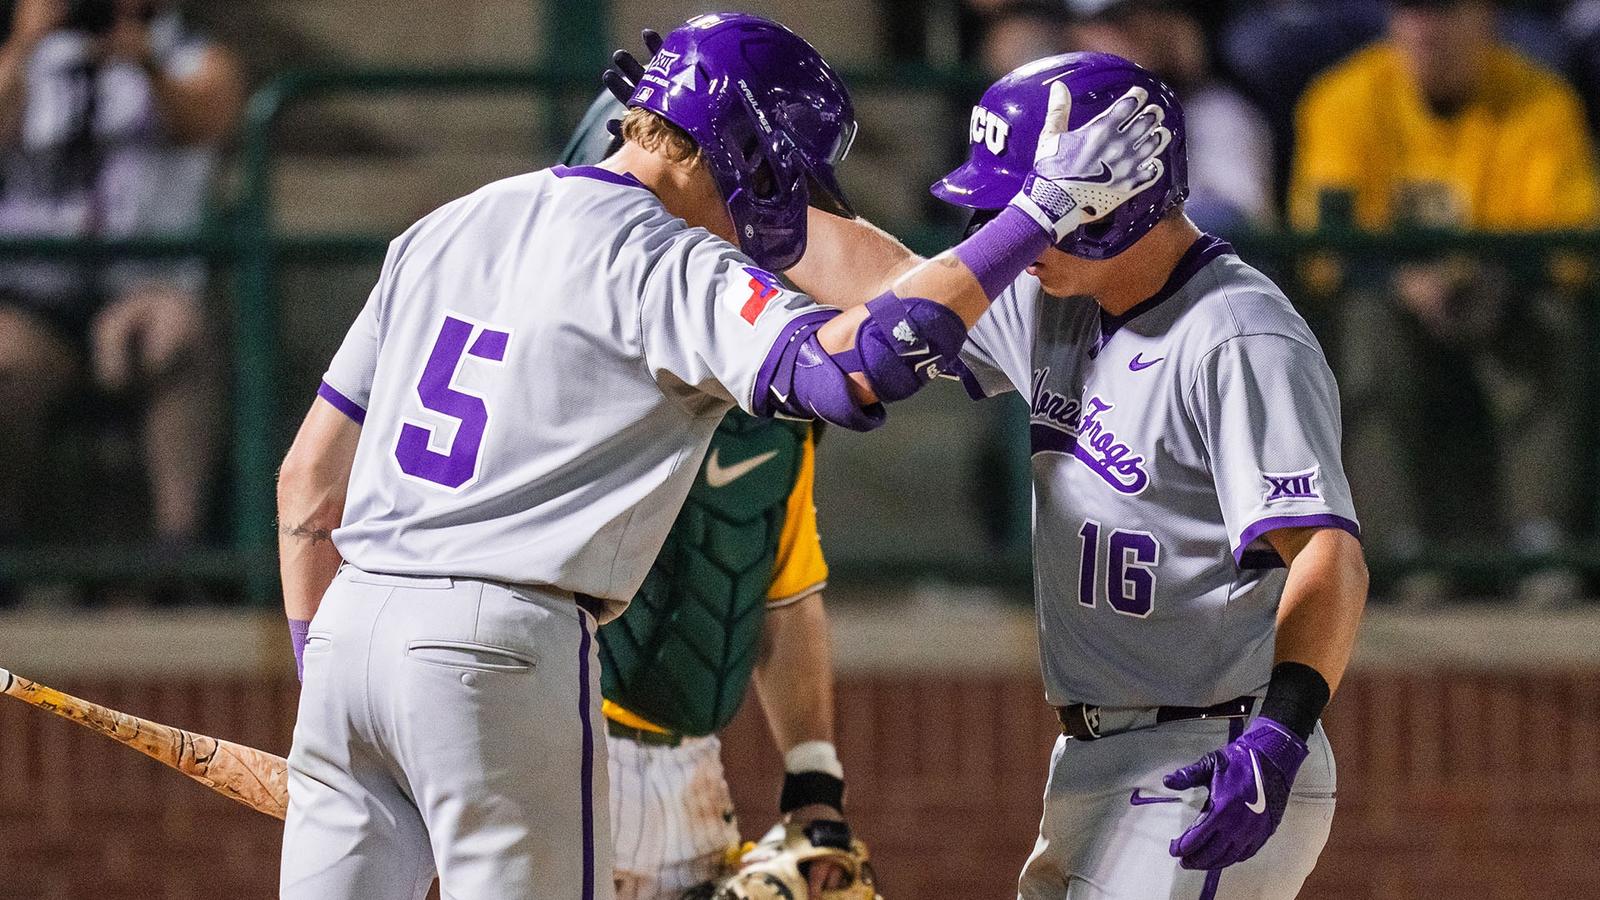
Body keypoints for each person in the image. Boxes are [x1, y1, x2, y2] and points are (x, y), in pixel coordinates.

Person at [274, 12, 1172, 899]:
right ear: (740, 146)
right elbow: (857, 372)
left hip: (351, 621)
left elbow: (308, 484)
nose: (790, 200)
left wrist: (327, 670)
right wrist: (1035, 218)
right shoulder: (669, 258)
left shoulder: (452, 222)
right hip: (499, 646)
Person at [763, 51, 1367, 897]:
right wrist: (745, 191)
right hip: (1096, 756)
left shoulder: (1239, 332)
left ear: (1117, 200)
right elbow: (891, 288)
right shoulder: (1060, 296)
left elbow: (1326, 554)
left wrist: (1280, 734)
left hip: (1210, 751)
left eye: (1028, 203)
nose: (1012, 226)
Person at [562, 82, 852, 900]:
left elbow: (779, 589)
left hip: (694, 772)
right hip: (566, 746)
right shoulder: (565, 368)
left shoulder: (777, 395)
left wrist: (814, 780)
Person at [1292, 0, 1600, 605]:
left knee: (1550, 318)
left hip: (1500, 300)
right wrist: (1402, 280)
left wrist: (1478, 274)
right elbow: (1322, 251)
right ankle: (1399, 553)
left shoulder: (1543, 100)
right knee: (1365, 325)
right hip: (1390, 305)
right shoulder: (1344, 97)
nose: (1428, 29)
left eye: (1446, 11)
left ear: (1487, 18)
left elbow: (1569, 246)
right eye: (1414, 11)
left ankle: (1541, 544)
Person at [0, 0, 241, 564]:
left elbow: (208, 119)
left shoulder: (189, 58)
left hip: (145, 285)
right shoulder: (24, 61)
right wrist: (25, 42)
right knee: (4, 360)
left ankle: (177, 555)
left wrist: (145, 66)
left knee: (171, 339)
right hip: (29, 298)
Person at [1065, 0, 1275, 232]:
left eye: (1143, 17)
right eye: (1114, 22)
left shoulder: (1214, 111)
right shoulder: (1055, 113)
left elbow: (1239, 221)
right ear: (1077, 33)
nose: (1135, 33)